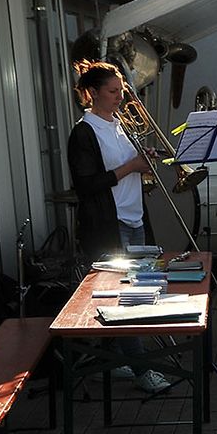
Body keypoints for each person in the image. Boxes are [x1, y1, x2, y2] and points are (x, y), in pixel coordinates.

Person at [66, 60, 171, 395]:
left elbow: (126, 167)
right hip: (110, 226)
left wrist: (143, 161)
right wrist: (131, 167)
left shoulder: (119, 124)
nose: (120, 96)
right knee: (125, 299)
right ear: (93, 93)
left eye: (121, 90)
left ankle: (111, 360)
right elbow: (86, 185)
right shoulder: (84, 132)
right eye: (113, 91)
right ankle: (141, 370)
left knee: (137, 295)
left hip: (134, 218)